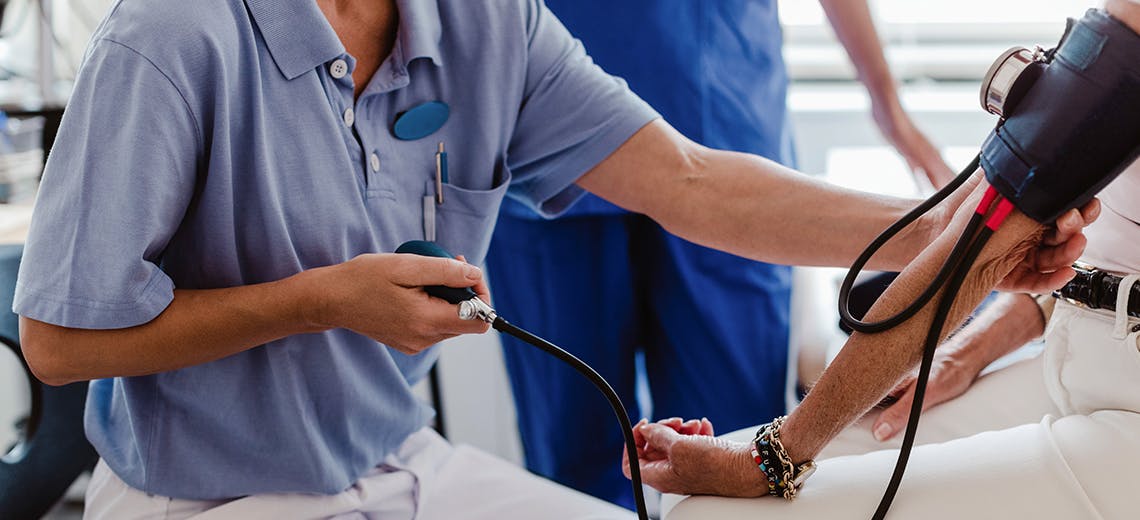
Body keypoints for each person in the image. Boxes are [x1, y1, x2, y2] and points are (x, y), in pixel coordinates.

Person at [13, 0, 1088, 518]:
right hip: (204, 498)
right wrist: (320, 302)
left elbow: (697, 183)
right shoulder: (171, 40)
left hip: (399, 467)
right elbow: (58, 343)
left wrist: (963, 233)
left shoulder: (487, 26)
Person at [623, 4, 1140, 519]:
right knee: (690, 490)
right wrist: (962, 355)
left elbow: (978, 242)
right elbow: (1083, 265)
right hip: (1070, 363)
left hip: (1126, 407)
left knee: (709, 515)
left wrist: (772, 459)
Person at [487, 0, 952, 508]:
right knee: (573, 456)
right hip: (546, 139)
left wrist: (886, 101)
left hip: (721, 116)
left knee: (734, 445)